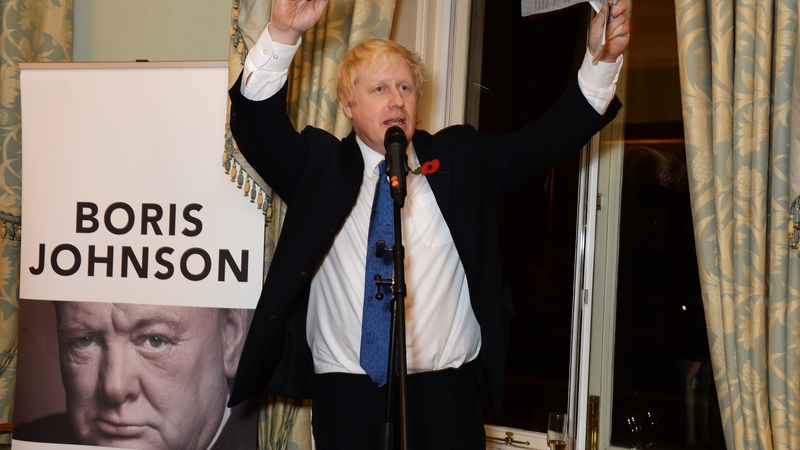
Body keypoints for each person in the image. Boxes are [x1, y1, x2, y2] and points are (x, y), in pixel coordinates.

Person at [227, 0, 630, 448]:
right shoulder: (319, 168)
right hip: (347, 400)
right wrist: (283, 33)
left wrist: (603, 60)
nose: (397, 99)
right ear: (347, 103)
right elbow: (257, 126)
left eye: (406, 87)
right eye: (380, 89)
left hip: (444, 403)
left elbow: (550, 138)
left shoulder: (462, 162)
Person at [13, 301, 256, 450]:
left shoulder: (276, 441)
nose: (114, 387)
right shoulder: (29, 440)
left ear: (230, 337)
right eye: (83, 341)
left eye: (155, 340)